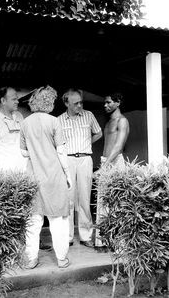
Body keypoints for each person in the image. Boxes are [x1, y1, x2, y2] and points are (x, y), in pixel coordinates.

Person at [20, 85, 72, 269]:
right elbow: (61, 152)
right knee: (58, 220)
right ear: (50, 102)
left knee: (34, 220)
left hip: (33, 176)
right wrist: (67, 174)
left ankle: (31, 259)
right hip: (54, 176)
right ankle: (62, 259)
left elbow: (23, 153)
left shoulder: (25, 123)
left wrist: (36, 152)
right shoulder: (54, 121)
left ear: (33, 101)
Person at [58, 89, 102, 248]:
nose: (79, 105)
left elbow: (98, 133)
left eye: (81, 102)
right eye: (75, 103)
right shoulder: (59, 120)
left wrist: (87, 143)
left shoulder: (89, 115)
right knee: (68, 199)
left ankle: (85, 236)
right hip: (68, 160)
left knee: (84, 198)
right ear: (66, 103)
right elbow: (56, 142)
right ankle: (68, 236)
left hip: (85, 159)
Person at [95, 92, 130, 247]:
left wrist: (106, 166)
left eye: (108, 102)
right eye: (105, 102)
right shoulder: (109, 122)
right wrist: (103, 164)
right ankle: (103, 241)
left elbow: (118, 146)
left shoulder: (122, 121)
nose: (105, 105)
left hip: (115, 163)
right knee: (103, 203)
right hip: (106, 162)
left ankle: (119, 242)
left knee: (117, 203)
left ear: (118, 103)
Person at [0, 87, 27, 172]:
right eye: (14, 99)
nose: (17, 101)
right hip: (5, 175)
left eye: (17, 99)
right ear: (3, 101)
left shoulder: (19, 116)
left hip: (23, 173)